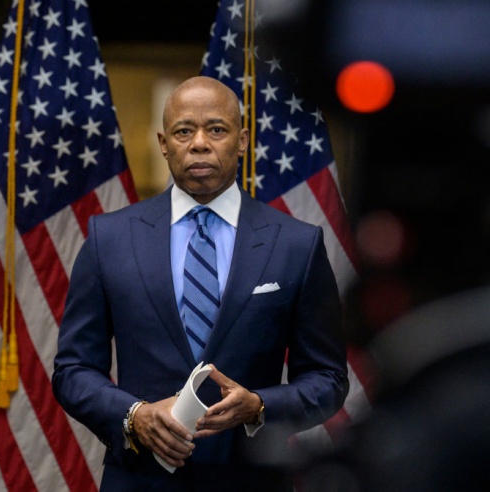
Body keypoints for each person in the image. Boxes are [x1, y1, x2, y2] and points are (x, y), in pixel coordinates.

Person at [52, 75, 348, 491]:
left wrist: (260, 406)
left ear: (243, 140)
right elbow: (73, 369)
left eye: (217, 129)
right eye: (184, 131)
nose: (199, 143)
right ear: (163, 143)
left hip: (249, 479)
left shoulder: (296, 244)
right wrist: (134, 415)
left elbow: (328, 378)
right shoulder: (109, 238)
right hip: (141, 479)